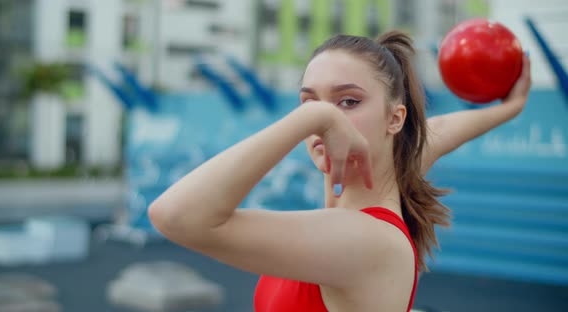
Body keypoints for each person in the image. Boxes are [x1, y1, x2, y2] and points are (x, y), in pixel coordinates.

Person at [148, 31, 531, 311]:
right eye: (308, 101)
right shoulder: (392, 174)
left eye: (348, 101)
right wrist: (507, 108)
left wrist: (316, 114)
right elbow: (441, 132)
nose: (324, 123)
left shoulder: (367, 239)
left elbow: (175, 216)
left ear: (394, 118)